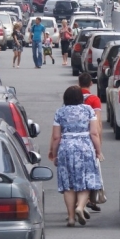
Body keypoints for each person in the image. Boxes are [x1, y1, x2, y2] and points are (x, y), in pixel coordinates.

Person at [50, 86, 103, 226]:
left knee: (68, 184)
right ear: (81, 97)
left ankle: (71, 217)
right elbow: (94, 133)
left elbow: (56, 137)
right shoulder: (88, 110)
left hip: (66, 148)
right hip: (85, 147)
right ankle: (80, 207)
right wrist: (98, 150)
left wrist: (54, 155)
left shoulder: (60, 112)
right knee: (85, 180)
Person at [78, 73, 104, 213]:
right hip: (89, 139)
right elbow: (98, 123)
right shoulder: (94, 100)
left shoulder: (72, 97)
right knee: (91, 171)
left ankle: (80, 201)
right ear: (91, 84)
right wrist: (99, 143)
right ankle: (90, 200)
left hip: (73, 139)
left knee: (78, 170)